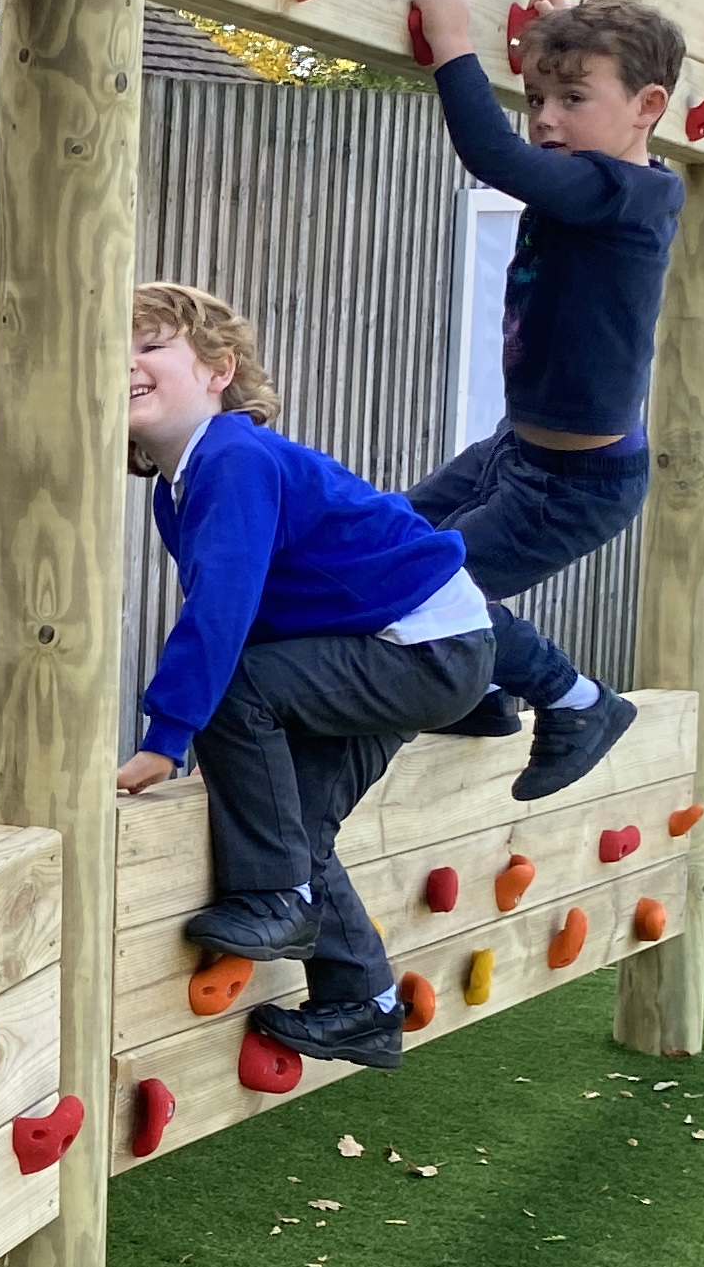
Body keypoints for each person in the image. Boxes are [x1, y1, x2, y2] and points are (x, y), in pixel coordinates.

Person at [114, 283, 494, 1071]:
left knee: (240, 687)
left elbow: (223, 610)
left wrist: (168, 734)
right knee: (296, 828)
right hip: (401, 646)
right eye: (109, 353)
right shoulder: (178, 489)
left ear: (219, 370)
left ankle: (278, 900)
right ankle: (363, 1005)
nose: (125, 364)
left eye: (149, 346)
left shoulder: (232, 456)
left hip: (418, 645)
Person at [404, 0, 687, 799]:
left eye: (571, 98)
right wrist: (559, 33)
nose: (545, 119)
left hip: (577, 485)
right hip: (516, 449)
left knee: (431, 583)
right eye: (534, 98)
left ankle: (578, 701)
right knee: (382, 544)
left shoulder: (622, 193)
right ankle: (477, 694)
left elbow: (493, 154)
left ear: (648, 106)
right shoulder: (596, 176)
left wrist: (454, 39)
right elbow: (549, 131)